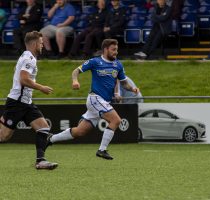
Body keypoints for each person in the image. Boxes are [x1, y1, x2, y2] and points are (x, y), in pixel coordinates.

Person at [47, 39, 139, 160]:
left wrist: (132, 89)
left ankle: (50, 139)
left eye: (117, 49)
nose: (116, 52)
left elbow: (124, 84)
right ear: (105, 49)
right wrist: (75, 81)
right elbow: (76, 71)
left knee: (80, 131)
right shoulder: (95, 61)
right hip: (95, 98)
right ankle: (102, 150)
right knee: (116, 120)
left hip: (103, 102)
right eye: (113, 49)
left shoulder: (118, 65)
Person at [0, 31, 58, 170]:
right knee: (3, 136)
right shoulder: (29, 59)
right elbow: (24, 79)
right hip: (17, 102)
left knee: (43, 127)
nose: (43, 45)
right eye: (41, 43)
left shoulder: (27, 56)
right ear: (34, 44)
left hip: (26, 102)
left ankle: (40, 161)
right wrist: (41, 87)